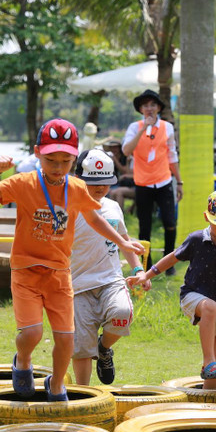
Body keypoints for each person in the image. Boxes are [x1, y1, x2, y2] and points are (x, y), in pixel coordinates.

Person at [0, 119, 145, 401]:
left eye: (65, 161)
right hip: (27, 271)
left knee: (67, 339)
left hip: (60, 275)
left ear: (75, 157)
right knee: (32, 333)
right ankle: (23, 361)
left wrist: (123, 241)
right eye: (50, 159)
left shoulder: (77, 188)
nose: (57, 167)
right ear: (37, 153)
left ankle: (55, 386)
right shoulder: (24, 182)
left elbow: (95, 218)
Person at [128, 190, 216, 389]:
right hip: (191, 296)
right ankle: (208, 362)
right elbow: (172, 257)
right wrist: (147, 275)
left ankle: (206, 399)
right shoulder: (197, 239)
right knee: (209, 308)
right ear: (207, 217)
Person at [70, 148, 148, 385]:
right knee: (82, 345)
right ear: (78, 180)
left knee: (122, 314)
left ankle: (104, 349)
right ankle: (83, 395)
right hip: (76, 285)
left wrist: (138, 271)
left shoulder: (113, 207)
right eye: (93, 182)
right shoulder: (67, 208)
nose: (100, 187)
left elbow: (124, 241)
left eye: (105, 182)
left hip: (110, 280)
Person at [122, 89, 182, 274]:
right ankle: (145, 265)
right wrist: (142, 129)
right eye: (145, 105)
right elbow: (126, 151)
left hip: (164, 181)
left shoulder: (167, 127)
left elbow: (172, 156)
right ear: (140, 109)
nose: (149, 108)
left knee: (170, 222)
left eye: (153, 105)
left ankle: (168, 263)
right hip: (143, 183)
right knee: (144, 226)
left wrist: (179, 182)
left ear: (158, 108)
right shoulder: (134, 127)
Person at [102, 138, 134, 211]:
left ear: (119, 148)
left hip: (126, 183)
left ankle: (118, 214)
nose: (114, 149)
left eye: (115, 147)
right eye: (112, 147)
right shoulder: (108, 158)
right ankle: (109, 213)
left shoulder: (125, 158)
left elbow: (124, 171)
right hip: (114, 182)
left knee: (113, 192)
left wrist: (115, 160)